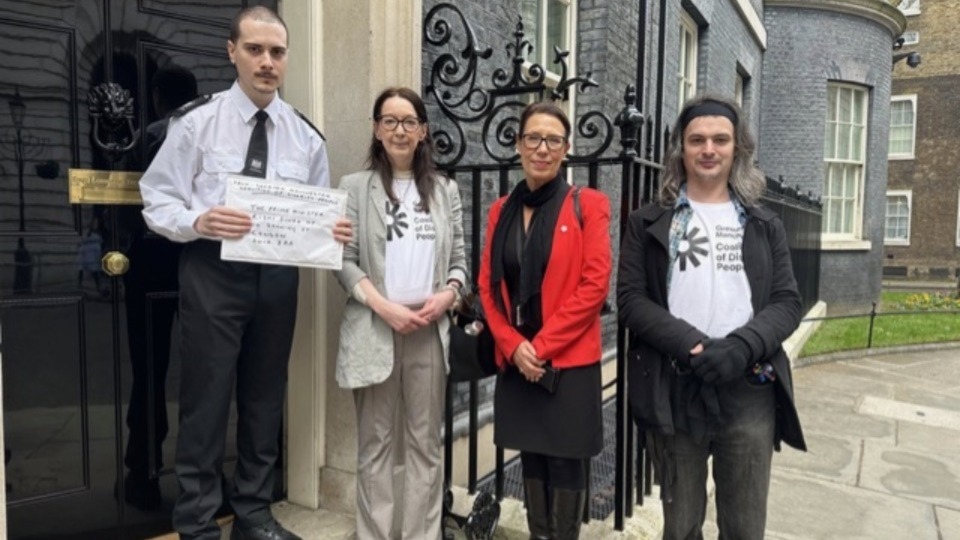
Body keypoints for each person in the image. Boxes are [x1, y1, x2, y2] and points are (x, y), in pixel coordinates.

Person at [139, 7, 351, 540]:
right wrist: (198, 218)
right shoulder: (196, 122)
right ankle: (197, 522)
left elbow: (316, 212)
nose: (266, 62)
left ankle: (253, 514)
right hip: (213, 271)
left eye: (276, 52)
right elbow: (155, 197)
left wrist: (332, 233)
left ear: (286, 59)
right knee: (206, 400)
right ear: (231, 51)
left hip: (278, 277)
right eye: (255, 49)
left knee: (264, 398)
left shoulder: (306, 138)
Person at [616, 94, 807, 540]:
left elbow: (786, 301)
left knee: (743, 526)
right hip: (677, 385)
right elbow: (631, 300)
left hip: (749, 388)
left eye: (720, 139)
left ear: (737, 148)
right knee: (680, 526)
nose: (708, 149)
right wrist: (691, 344)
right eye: (696, 139)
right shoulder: (647, 223)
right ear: (680, 149)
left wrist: (740, 347)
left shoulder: (764, 224)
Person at [333, 86, 466, 539]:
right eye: (389, 121)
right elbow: (344, 261)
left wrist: (449, 295)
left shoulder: (445, 190)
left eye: (409, 121)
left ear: (424, 130)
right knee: (376, 446)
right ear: (376, 129)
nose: (399, 130)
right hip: (376, 326)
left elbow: (460, 261)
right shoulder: (353, 187)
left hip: (429, 330)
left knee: (425, 446)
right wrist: (383, 306)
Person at [478, 101, 612, 540]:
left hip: (567, 364)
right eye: (533, 138)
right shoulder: (501, 210)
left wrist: (540, 346)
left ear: (566, 148)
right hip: (518, 361)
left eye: (553, 140)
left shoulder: (588, 204)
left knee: (566, 463)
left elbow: (594, 285)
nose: (542, 148)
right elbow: (487, 288)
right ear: (518, 145)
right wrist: (514, 346)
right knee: (531, 459)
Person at [119, 64, 199, 512]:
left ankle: (143, 474)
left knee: (148, 371)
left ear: (155, 97)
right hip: (197, 264)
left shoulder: (148, 137)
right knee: (205, 372)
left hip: (150, 264)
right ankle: (207, 475)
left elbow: (132, 200)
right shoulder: (207, 134)